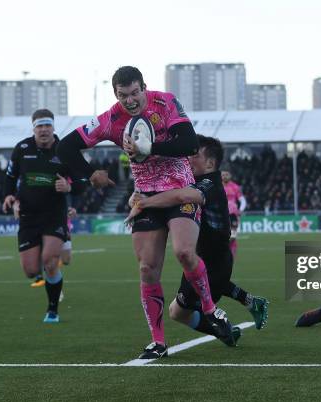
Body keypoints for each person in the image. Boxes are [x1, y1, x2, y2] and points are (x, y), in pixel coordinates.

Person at [57, 66, 232, 359]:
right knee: (147, 268)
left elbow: (189, 143)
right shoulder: (110, 120)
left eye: (135, 92)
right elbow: (66, 147)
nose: (130, 100)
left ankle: (211, 310)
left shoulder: (166, 103)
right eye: (123, 95)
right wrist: (89, 174)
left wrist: (148, 147)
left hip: (178, 189)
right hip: (144, 197)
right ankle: (158, 342)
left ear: (144, 88)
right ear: (116, 94)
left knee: (185, 252)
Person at [127, 135, 269, 345]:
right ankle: (247, 305)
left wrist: (145, 203)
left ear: (210, 163)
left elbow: (180, 197)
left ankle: (227, 328)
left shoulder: (209, 184)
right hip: (205, 258)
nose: (187, 159)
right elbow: (169, 192)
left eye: (194, 154)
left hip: (213, 261)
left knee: (179, 311)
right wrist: (138, 195)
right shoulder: (193, 180)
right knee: (180, 309)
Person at [3, 109, 86, 323]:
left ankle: (52, 310)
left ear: (53, 127)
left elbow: (82, 183)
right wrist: (9, 196)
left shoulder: (65, 150)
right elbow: (10, 177)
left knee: (50, 261)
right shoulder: (21, 149)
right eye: (39, 126)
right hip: (28, 216)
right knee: (31, 271)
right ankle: (49, 275)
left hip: (54, 215)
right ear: (33, 128)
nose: (43, 130)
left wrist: (68, 186)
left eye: (47, 125)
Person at [222, 171, 247, 258]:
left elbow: (242, 200)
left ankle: (231, 255)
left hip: (233, 215)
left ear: (230, 176)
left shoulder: (235, 187)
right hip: (222, 215)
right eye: (223, 175)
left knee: (233, 236)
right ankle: (224, 254)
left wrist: (240, 210)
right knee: (223, 236)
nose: (225, 176)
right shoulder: (218, 186)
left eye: (227, 174)